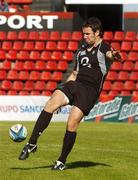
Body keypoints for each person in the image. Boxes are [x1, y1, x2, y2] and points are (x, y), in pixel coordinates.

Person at [18, 17, 122, 170]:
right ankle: (32, 143)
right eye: (83, 34)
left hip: (89, 91)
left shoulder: (104, 48)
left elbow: (111, 56)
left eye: (87, 34)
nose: (84, 37)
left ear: (97, 32)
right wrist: (62, 92)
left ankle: (61, 161)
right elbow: (74, 73)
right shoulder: (81, 51)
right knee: (51, 103)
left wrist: (115, 57)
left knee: (71, 124)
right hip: (75, 84)